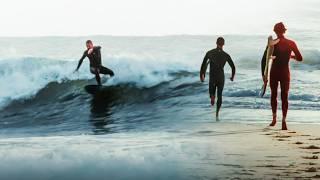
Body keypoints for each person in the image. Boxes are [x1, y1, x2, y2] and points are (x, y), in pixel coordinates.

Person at [268, 22, 303, 130]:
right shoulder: (291, 43)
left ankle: (274, 119)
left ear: (275, 31)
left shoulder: (272, 43)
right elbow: (300, 58)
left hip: (274, 72)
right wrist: (291, 56)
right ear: (284, 31)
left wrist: (272, 58)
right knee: (285, 96)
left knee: (274, 95)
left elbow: (268, 57)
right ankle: (283, 120)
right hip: (284, 72)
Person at [200, 37, 236, 118]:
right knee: (220, 95)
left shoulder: (209, 53)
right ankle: (217, 114)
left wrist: (202, 75)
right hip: (221, 77)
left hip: (213, 76)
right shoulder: (226, 55)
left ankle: (212, 96)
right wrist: (232, 77)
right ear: (223, 44)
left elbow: (203, 65)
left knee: (212, 90)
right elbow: (233, 67)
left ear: (216, 43)